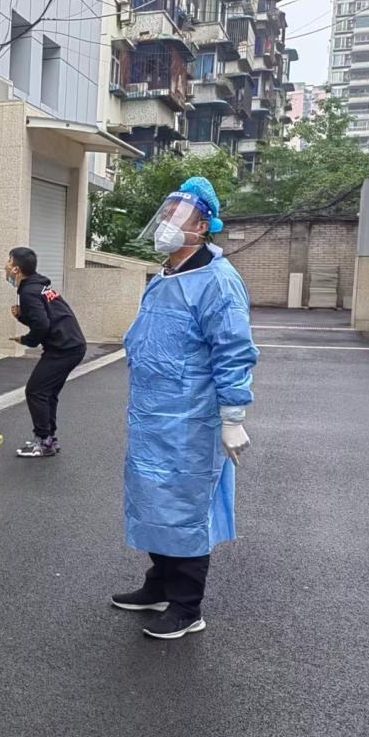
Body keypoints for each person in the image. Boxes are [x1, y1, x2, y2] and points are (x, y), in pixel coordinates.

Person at [111, 176, 259, 640]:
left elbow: (233, 350)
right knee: (152, 500)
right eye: (167, 213)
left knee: (186, 507)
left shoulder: (218, 281)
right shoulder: (166, 276)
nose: (168, 223)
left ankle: (187, 605)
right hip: (152, 415)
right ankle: (159, 584)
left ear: (202, 226)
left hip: (191, 419)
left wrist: (233, 416)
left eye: (179, 216)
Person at [5, 246, 87, 458]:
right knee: (47, 393)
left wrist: (26, 340)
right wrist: (22, 317)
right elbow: (44, 318)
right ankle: (49, 438)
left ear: (16, 269)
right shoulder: (38, 286)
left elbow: (42, 325)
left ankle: (44, 441)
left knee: (36, 391)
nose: (5, 266)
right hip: (71, 344)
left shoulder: (29, 292)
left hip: (64, 348)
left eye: (8, 261)